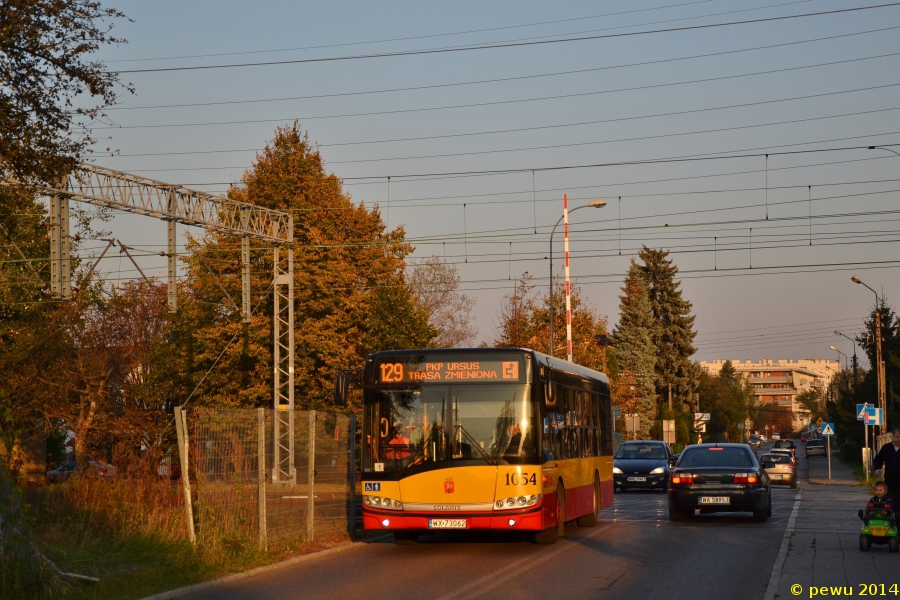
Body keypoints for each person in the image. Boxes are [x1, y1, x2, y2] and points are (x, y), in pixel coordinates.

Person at [874, 428, 900, 501]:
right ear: (893, 437)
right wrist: (877, 468)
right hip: (890, 483)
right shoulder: (887, 448)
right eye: (897, 437)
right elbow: (878, 459)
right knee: (890, 504)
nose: (899, 439)